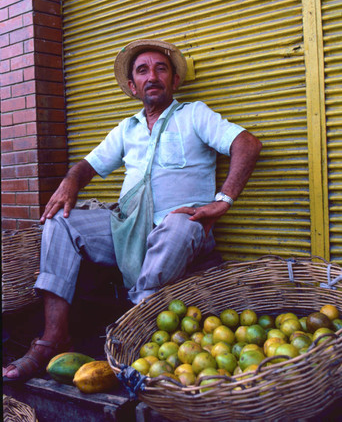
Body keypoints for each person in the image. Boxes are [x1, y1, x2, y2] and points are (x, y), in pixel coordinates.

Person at [3, 39, 262, 382]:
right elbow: (88, 165)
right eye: (142, 71)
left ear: (174, 81)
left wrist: (223, 200)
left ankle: (132, 330)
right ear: (132, 85)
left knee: (180, 223)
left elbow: (247, 143)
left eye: (161, 69)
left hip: (180, 229)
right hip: (127, 229)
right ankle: (53, 338)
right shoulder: (127, 128)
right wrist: (70, 183)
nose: (152, 76)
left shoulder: (195, 114)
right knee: (61, 222)